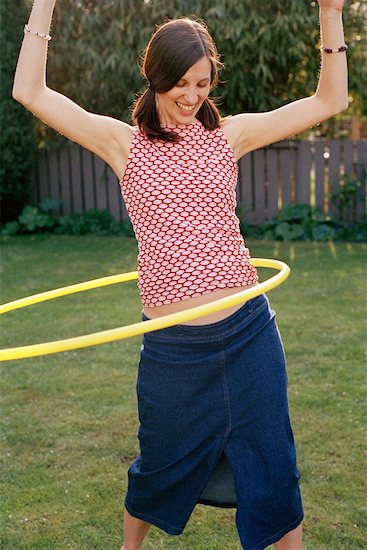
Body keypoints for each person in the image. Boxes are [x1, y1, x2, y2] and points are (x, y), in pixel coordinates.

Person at [13, 1, 348, 548]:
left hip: (248, 333)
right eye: (181, 84)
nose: (192, 96)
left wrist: (331, 12)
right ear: (156, 78)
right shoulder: (123, 143)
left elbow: (331, 100)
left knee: (273, 464)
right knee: (159, 464)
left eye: (202, 83)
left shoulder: (229, 136)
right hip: (173, 345)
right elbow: (30, 92)